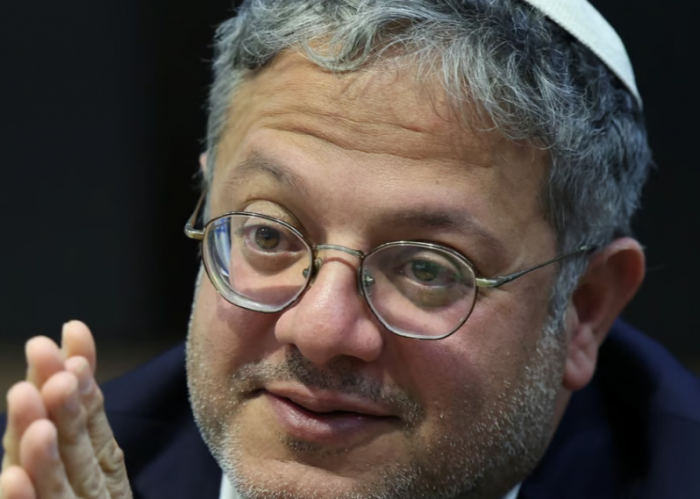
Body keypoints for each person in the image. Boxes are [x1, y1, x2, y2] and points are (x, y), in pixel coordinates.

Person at [2, 0, 700, 498]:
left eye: (426, 268)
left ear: (583, 308)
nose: (319, 329)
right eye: (268, 235)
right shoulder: (44, 474)